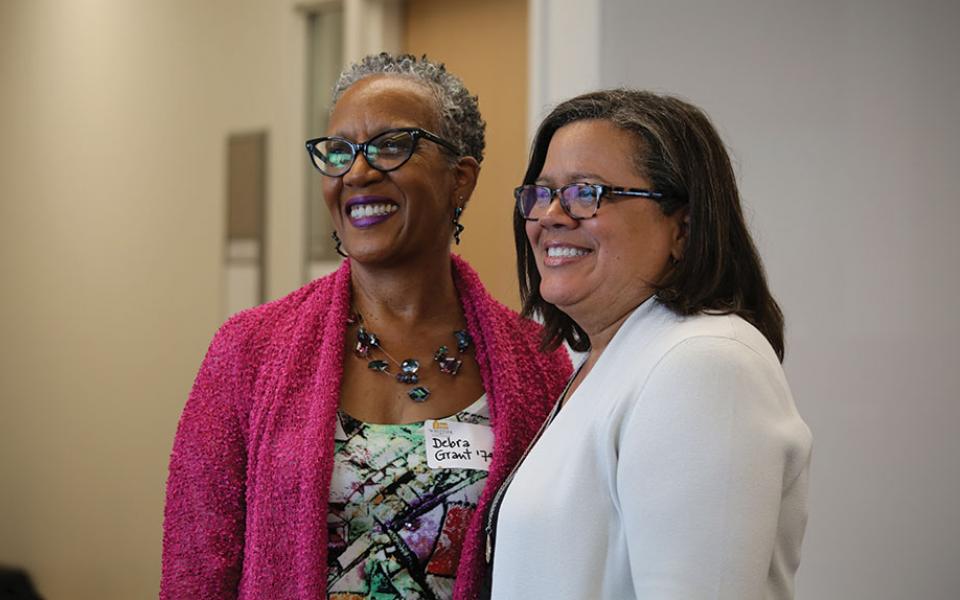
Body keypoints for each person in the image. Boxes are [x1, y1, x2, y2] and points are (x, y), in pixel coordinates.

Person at [160, 53, 571, 600]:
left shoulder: (537, 361)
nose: (357, 172)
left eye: (390, 146)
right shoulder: (250, 351)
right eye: (339, 152)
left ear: (461, 179)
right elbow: (196, 573)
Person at [484, 90, 812, 599]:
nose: (549, 215)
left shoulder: (705, 363)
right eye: (541, 192)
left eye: (585, 192)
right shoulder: (598, 361)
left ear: (683, 227)